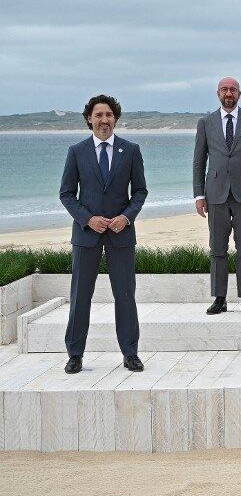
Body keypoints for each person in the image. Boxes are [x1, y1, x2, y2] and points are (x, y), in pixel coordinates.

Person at [59, 95, 148, 374]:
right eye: (98, 115)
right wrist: (88, 219)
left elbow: (140, 192)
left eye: (109, 115)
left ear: (115, 119)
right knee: (80, 295)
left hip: (121, 234)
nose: (104, 120)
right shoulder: (77, 151)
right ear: (89, 119)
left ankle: (130, 353)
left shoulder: (130, 150)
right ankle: (75, 355)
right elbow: (66, 194)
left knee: (125, 295)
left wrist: (126, 217)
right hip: (86, 235)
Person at [192, 77, 241, 315]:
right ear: (218, 94)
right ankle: (219, 298)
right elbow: (199, 160)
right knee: (217, 248)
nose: (229, 93)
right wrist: (198, 195)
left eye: (232, 90)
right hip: (214, 194)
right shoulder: (206, 122)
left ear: (239, 94)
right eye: (224, 90)